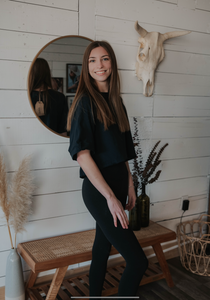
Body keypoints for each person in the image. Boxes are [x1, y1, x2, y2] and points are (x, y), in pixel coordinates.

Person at [67, 41, 148, 297]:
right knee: (139, 261)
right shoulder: (84, 103)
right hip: (99, 192)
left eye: (104, 59)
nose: (99, 65)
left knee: (101, 250)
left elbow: (120, 152)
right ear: (86, 66)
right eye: (92, 60)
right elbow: (82, 155)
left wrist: (130, 184)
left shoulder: (116, 101)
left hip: (119, 185)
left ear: (112, 63)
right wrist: (111, 198)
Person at [29, 58, 68, 136]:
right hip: (53, 144)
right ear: (47, 73)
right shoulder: (59, 97)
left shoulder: (26, 96)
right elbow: (63, 130)